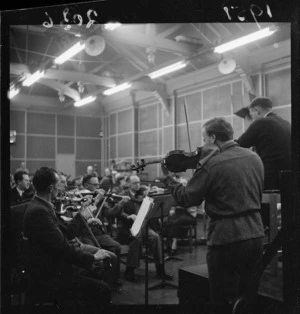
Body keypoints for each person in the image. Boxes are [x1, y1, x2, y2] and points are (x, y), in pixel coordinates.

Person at [161, 118, 265, 313]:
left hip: (226, 238)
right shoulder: (254, 157)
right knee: (248, 299)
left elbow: (186, 198)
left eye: (204, 138)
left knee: (221, 300)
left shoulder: (212, 165)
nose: (203, 144)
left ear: (213, 137)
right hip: (256, 234)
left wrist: (169, 179)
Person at [23, 167, 111, 310]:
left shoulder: (43, 206)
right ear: (51, 188)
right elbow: (63, 247)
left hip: (55, 263)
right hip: (50, 274)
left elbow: (67, 232)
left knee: (98, 272)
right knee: (104, 289)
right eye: (59, 184)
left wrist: (82, 213)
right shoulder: (40, 211)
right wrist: (93, 258)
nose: (62, 188)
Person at [117, 175, 173, 282]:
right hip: (128, 227)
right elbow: (118, 211)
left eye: (139, 182)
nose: (138, 184)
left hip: (143, 226)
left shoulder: (143, 192)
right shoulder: (123, 195)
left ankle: (160, 270)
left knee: (155, 237)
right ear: (128, 184)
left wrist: (151, 196)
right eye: (135, 183)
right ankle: (130, 270)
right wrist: (128, 216)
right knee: (136, 237)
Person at [236, 97, 291, 190]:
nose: (252, 118)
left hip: (269, 177)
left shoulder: (260, 122)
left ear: (257, 111)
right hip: (288, 177)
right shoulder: (286, 123)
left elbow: (239, 144)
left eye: (251, 114)